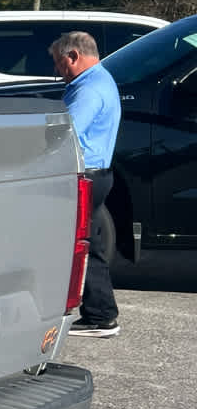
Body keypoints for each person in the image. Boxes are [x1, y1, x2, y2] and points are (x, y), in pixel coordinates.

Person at [51, 31, 120, 337]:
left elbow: (69, 133)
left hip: (85, 174)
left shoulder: (88, 90)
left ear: (73, 56)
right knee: (88, 241)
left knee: (78, 243)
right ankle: (100, 312)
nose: (58, 70)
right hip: (99, 172)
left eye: (59, 62)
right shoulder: (101, 80)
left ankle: (100, 315)